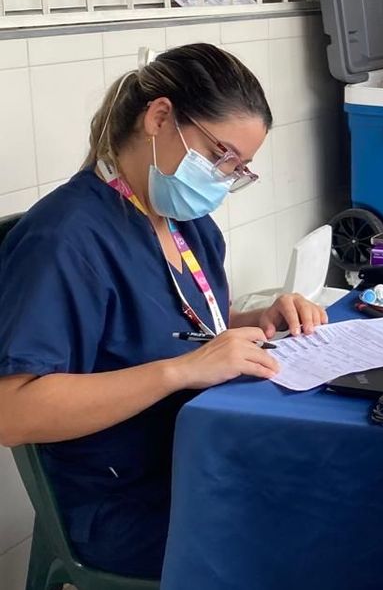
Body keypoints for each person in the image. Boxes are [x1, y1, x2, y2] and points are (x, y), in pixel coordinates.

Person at [0, 44, 329, 578]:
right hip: (124, 499)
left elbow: (186, 331)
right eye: (221, 156)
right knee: (314, 539)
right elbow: (12, 413)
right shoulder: (65, 239)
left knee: (347, 495)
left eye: (239, 169)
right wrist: (180, 373)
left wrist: (260, 321)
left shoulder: (186, 222)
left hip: (200, 459)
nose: (223, 180)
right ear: (159, 117)